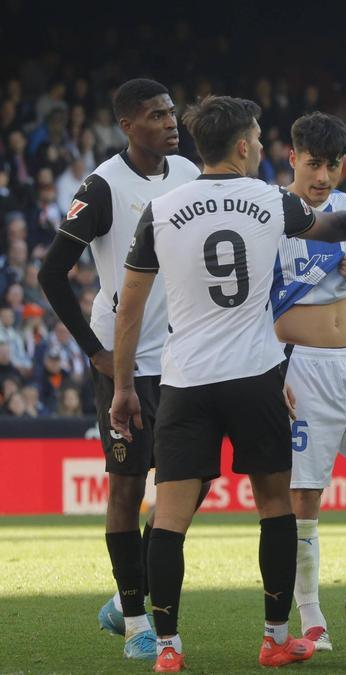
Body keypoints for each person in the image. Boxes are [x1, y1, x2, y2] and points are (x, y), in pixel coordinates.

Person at [108, 95, 346, 672]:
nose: (265, 147)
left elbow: (129, 310)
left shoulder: (162, 209)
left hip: (186, 380)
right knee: (275, 506)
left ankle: (167, 648)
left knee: (170, 517)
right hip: (256, 376)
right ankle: (275, 638)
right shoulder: (274, 201)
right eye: (261, 139)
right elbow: (336, 225)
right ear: (243, 146)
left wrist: (124, 387)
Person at [36, 78, 200, 661]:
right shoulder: (103, 185)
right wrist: (95, 353)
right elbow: (52, 274)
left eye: (172, 112)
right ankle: (136, 623)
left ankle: (126, 594)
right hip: (125, 363)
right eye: (156, 115)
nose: (170, 121)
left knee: (193, 482)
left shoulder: (189, 175)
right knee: (127, 492)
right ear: (128, 126)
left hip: (184, 359)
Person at [269, 111, 346, 652]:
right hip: (302, 369)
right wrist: (271, 370)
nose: (323, 176)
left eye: (332, 166)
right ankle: (311, 616)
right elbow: (252, 301)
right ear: (293, 158)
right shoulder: (269, 211)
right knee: (304, 498)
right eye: (313, 164)